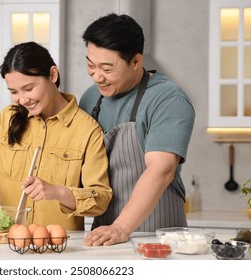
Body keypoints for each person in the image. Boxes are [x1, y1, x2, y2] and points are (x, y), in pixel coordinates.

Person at [0, 41, 112, 230]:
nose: (23, 99)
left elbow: (100, 198)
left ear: (53, 75)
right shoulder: (8, 118)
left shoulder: (87, 130)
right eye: (14, 92)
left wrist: (57, 192)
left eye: (29, 88)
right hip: (8, 242)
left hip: (59, 248)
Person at [79, 13, 195, 245]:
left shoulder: (168, 99)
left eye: (107, 68)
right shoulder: (91, 98)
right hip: (104, 234)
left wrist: (121, 227)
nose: (97, 76)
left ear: (135, 61)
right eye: (91, 65)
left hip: (158, 235)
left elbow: (162, 170)